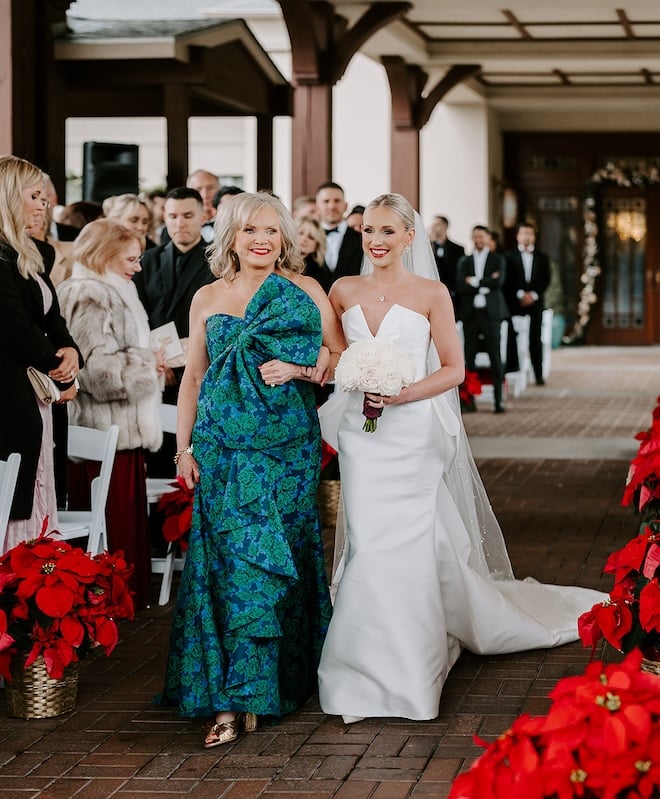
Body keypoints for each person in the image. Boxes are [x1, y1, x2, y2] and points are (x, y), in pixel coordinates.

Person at [316, 193, 606, 723]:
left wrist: (401, 393)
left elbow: (452, 369)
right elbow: (333, 359)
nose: (376, 241)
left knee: (403, 538)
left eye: (387, 231)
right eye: (368, 231)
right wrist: (334, 374)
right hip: (363, 432)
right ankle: (367, 658)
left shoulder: (431, 293)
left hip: (413, 432)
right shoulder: (342, 290)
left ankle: (408, 664)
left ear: (410, 237)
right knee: (369, 538)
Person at [160, 191, 345, 748]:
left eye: (270, 230)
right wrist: (184, 449)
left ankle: (267, 687)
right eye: (249, 231)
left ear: (284, 236)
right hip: (220, 448)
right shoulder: (207, 297)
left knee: (273, 562)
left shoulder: (306, 289)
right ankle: (232, 700)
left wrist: (299, 368)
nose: (261, 240)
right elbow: (193, 378)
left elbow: (337, 356)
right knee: (227, 567)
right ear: (231, 238)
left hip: (286, 449)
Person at [57, 219, 165, 610]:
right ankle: (109, 605)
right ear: (104, 255)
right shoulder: (90, 294)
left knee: (122, 521)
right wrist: (145, 364)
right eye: (130, 259)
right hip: (102, 431)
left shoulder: (115, 289)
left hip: (121, 430)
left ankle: (123, 603)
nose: (138, 267)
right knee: (109, 523)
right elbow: (95, 371)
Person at [0, 155, 82, 552]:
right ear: (10, 196)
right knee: (15, 497)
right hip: (10, 395)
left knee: (39, 484)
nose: (43, 203)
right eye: (34, 195)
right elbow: (12, 326)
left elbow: (53, 316)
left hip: (39, 395)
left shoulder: (31, 253)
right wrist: (56, 366)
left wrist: (71, 352)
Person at [455, 225, 509, 413]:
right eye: (475, 236)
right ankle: (468, 400)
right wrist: (486, 283)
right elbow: (461, 285)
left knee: (495, 356)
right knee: (469, 358)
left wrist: (475, 281)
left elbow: (499, 282)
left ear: (487, 238)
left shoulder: (497, 259)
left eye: (481, 236)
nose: (478, 239)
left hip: (491, 314)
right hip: (471, 315)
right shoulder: (465, 261)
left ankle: (498, 400)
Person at [505, 222, 552, 386]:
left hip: (535, 304)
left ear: (534, 236)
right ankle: (513, 370)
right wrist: (519, 294)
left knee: (535, 338)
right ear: (518, 236)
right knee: (512, 336)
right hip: (514, 304)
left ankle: (538, 374)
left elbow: (546, 279)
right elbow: (507, 280)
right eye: (523, 233)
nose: (526, 237)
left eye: (530, 233)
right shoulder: (508, 257)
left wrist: (533, 295)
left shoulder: (542, 257)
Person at [315, 181, 363, 285]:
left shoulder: (361, 239)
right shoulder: (306, 239)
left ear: (345, 206)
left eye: (337, 201)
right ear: (317, 207)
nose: (332, 206)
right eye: (326, 201)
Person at [429, 214, 465, 307]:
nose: (434, 228)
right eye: (433, 225)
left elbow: (459, 273)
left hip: (452, 294)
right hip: (432, 292)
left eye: (437, 225)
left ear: (445, 226)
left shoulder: (458, 249)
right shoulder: (428, 248)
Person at [297, 215, 331, 292]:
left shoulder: (321, 272)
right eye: (301, 233)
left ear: (317, 245)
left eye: (311, 237)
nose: (304, 239)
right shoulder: (278, 261)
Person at [186, 168, 220, 242]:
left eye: (210, 188)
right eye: (198, 189)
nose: (204, 195)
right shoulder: (179, 226)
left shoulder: (233, 223)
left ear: (219, 189)